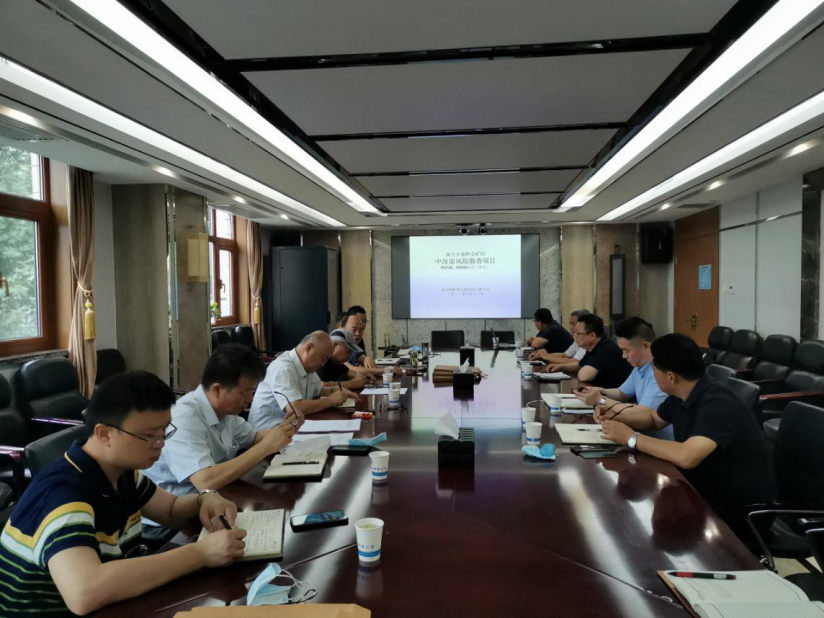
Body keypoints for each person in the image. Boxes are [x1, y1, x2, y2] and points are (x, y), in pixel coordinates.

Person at [0, 371, 247, 616]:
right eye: (149, 436)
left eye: (164, 432)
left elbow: (170, 510)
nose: (161, 444)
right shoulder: (65, 495)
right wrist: (200, 554)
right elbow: (84, 593)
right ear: (104, 434)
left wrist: (205, 498)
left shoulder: (122, 472)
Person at [599, 333, 776, 540]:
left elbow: (687, 456)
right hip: (704, 490)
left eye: (654, 371)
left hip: (739, 510)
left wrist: (632, 438)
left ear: (670, 377)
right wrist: (616, 417)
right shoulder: (683, 394)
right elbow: (654, 419)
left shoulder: (717, 403)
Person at [145, 344, 297, 497]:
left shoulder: (226, 412)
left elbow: (255, 437)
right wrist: (265, 447)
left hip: (217, 496)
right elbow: (205, 482)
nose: (251, 399)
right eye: (247, 392)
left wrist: (285, 429)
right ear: (217, 389)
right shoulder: (184, 418)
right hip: (180, 505)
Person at [574, 316, 672, 439]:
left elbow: (644, 413)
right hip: (641, 435)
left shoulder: (660, 372)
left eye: (626, 351)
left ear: (645, 346)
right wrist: (600, 391)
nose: (624, 356)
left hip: (659, 441)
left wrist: (601, 400)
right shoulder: (639, 368)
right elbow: (622, 393)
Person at [249, 331, 358, 429]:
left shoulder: (307, 366)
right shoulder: (283, 368)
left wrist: (337, 390)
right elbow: (295, 407)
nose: (323, 364)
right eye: (323, 358)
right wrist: (330, 401)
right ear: (309, 348)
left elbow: (318, 389)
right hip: (266, 433)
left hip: (290, 428)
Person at [544, 313, 631, 387]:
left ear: (592, 335)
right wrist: (561, 367)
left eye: (578, 333)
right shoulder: (593, 347)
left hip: (615, 397)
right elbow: (580, 365)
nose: (575, 336)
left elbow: (584, 376)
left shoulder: (606, 350)